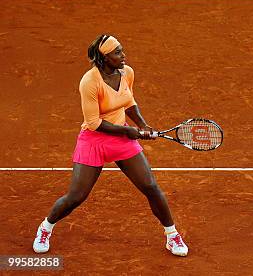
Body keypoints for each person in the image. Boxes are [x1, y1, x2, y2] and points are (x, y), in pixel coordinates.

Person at [33, 35, 188, 256]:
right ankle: (45, 227)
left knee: (150, 186)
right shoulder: (89, 81)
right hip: (94, 140)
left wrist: (143, 125)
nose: (123, 56)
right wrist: (129, 131)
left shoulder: (127, 72)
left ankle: (172, 235)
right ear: (105, 58)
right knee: (76, 196)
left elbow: (128, 101)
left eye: (122, 51)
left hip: (121, 138)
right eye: (117, 53)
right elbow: (94, 123)